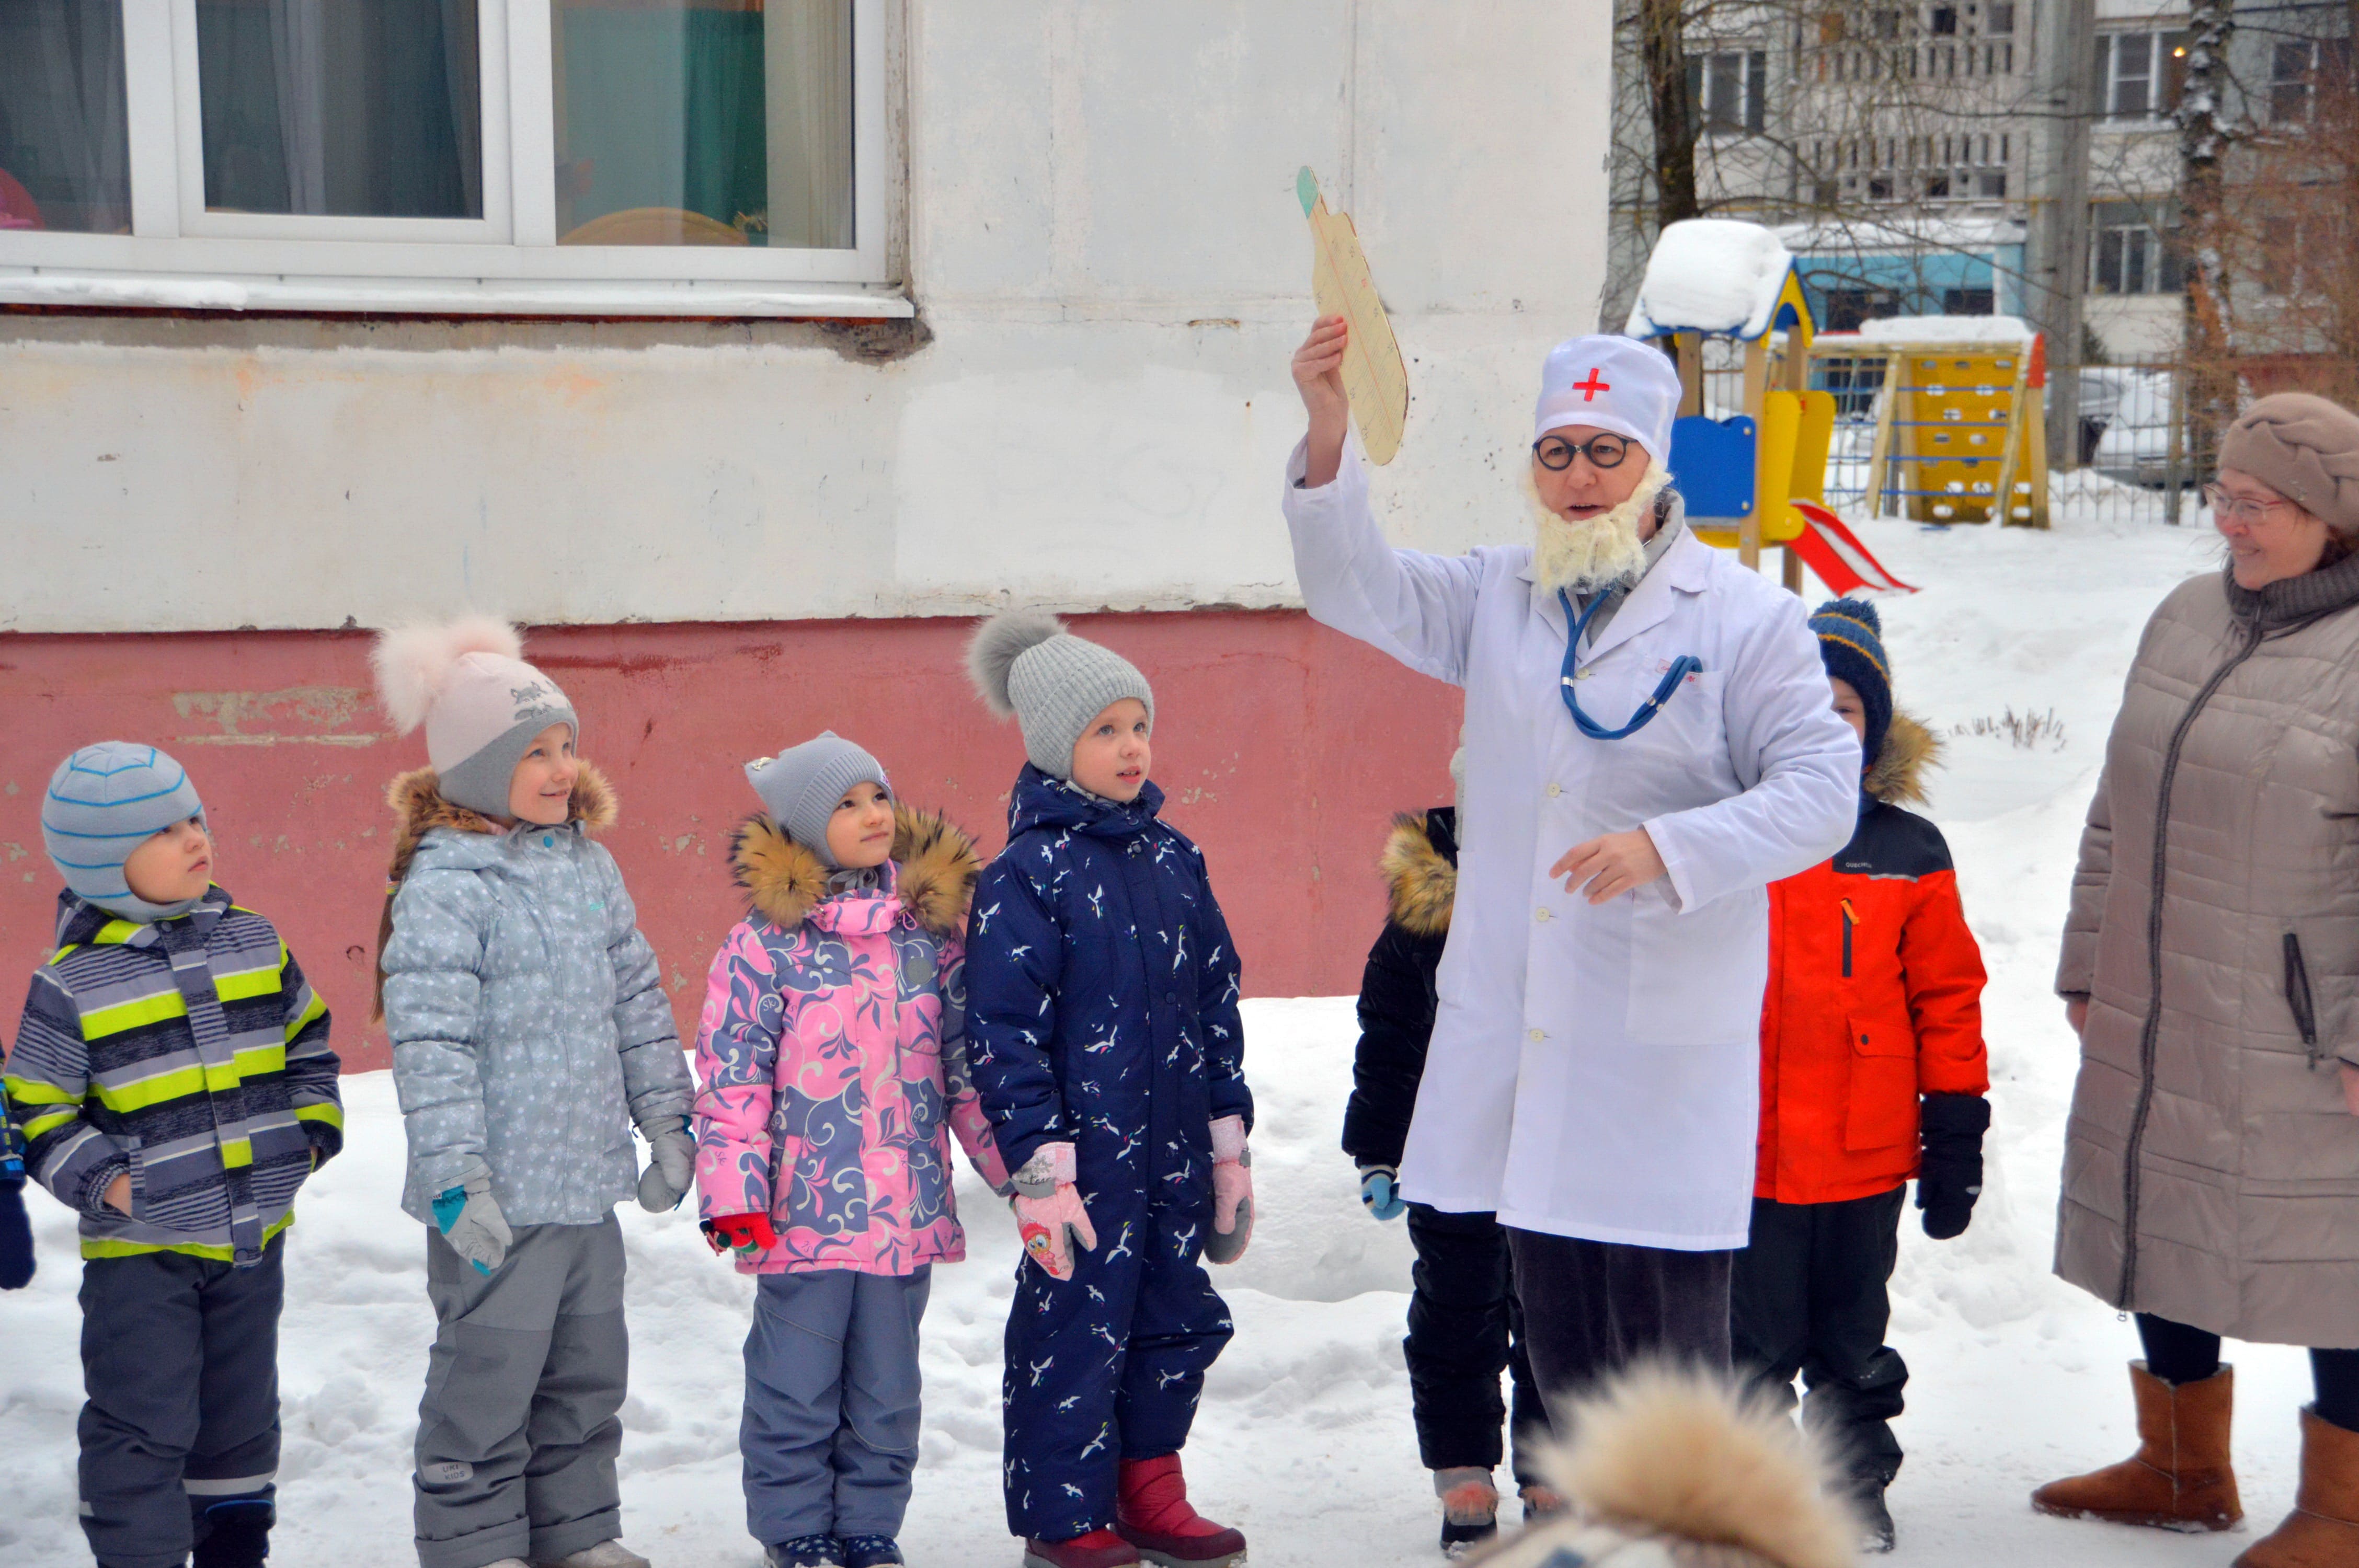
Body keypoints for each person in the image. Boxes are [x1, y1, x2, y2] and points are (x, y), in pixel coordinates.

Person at [1282, 318, 1860, 1414]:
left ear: (1655, 468)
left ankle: (1680, 1533)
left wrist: (1671, 848)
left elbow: (1825, 794)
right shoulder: (1498, 597)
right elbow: (1355, 590)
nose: (1579, 479)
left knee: (1667, 1348)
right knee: (1560, 1352)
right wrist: (1327, 429)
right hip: (1528, 1032)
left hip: (1656, 1048)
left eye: (1607, 452)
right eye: (1557, 452)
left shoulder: (1746, 618)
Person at [2033, 391, 2359, 1568]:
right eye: (2223, 496)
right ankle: (2180, 1466)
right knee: (2158, 1207)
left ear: (2332, 519)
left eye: (2258, 505)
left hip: (2307, 1025)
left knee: (2333, 1250)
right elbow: (2118, 806)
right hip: (2161, 991)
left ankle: (2345, 1507)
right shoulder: (2184, 617)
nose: (2230, 523)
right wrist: (2086, 957)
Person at [373, 617, 696, 1568]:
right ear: (475, 769)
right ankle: (475, 1545)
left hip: (585, 1188)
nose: (563, 769)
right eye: (534, 753)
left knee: (585, 1378)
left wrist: (666, 1120)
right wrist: (455, 1179)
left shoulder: (590, 869)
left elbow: (637, 997)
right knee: (487, 1381)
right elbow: (431, 1044)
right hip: (496, 1199)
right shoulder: (448, 886)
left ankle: (578, 1535)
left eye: (566, 747)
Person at [962, 611, 1254, 1568]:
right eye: (1105, 731)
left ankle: (1149, 1489)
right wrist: (1037, 1173)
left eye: (1139, 725)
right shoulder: (1023, 875)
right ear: (1055, 746)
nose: (1131, 747)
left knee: (1174, 1321)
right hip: (1083, 1173)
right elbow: (1002, 1033)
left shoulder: (1176, 858)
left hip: (1173, 1157)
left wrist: (1228, 1147)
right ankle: (1063, 1517)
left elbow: (1216, 1000)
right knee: (1074, 1333)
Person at [8, 741, 343, 1568]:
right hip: (141, 1252)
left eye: (195, 817)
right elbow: (39, 1108)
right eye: (164, 831)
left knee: (239, 1416)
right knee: (142, 1419)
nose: (196, 837)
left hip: (250, 1239)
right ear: (103, 863)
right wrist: (110, 1184)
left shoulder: (254, 943)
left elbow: (310, 1047)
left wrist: (309, 1136)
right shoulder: (73, 983)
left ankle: (235, 1551)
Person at [691, 732, 1010, 1568]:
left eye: (878, 795)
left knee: (886, 1389)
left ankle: (870, 1527)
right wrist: (733, 1194)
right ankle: (795, 1529)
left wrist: (1017, 1172)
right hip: (801, 1216)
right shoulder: (764, 948)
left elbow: (965, 1070)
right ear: (802, 828)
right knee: (795, 1385)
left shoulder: (930, 941)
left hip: (903, 1211)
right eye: (847, 803)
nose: (874, 815)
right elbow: (732, 1079)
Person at [1732, 599, 1990, 1553]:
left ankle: (1849, 1483)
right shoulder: (1729, 830)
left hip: (1864, 1153)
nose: (1821, 725)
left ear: (1873, 728)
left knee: (1850, 1339)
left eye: (1843, 710)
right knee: (1747, 1347)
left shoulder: (1905, 851)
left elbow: (1948, 998)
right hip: (1744, 1151)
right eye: (1801, 706)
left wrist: (1956, 1126)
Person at [1342, 765, 1558, 1557]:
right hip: (1454, 1154)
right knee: (1456, 1315)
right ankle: (1462, 1466)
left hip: (1554, 1157)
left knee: (1556, 1316)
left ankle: (1552, 1463)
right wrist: (1379, 1150)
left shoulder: (1574, 901)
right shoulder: (1422, 921)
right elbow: (1389, 1043)